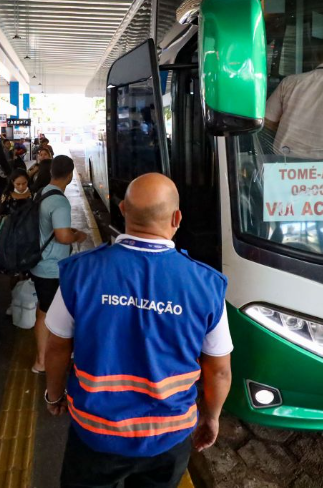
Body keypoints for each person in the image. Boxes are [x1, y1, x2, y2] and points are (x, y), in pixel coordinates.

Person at [45, 173, 233, 487]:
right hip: (168, 438)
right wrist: (211, 417)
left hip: (94, 435)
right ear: (177, 217)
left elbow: (56, 346)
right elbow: (219, 371)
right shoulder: (206, 284)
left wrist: (54, 396)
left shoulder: (81, 272)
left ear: (122, 209)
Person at [30, 155, 87, 374]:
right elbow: (62, 236)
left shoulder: (42, 192)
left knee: (43, 311)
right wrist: (78, 236)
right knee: (48, 314)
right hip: (52, 267)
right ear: (71, 175)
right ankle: (42, 361)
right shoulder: (60, 200)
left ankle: (42, 358)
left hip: (40, 263)